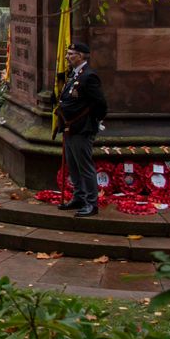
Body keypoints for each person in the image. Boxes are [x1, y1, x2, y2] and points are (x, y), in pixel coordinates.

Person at [56, 42, 108, 217]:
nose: (68, 57)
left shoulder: (89, 76)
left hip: (82, 128)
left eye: (71, 54)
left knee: (84, 166)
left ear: (81, 56)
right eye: (68, 53)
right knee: (73, 165)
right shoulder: (74, 75)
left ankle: (91, 203)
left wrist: (91, 121)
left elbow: (100, 103)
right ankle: (78, 197)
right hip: (70, 128)